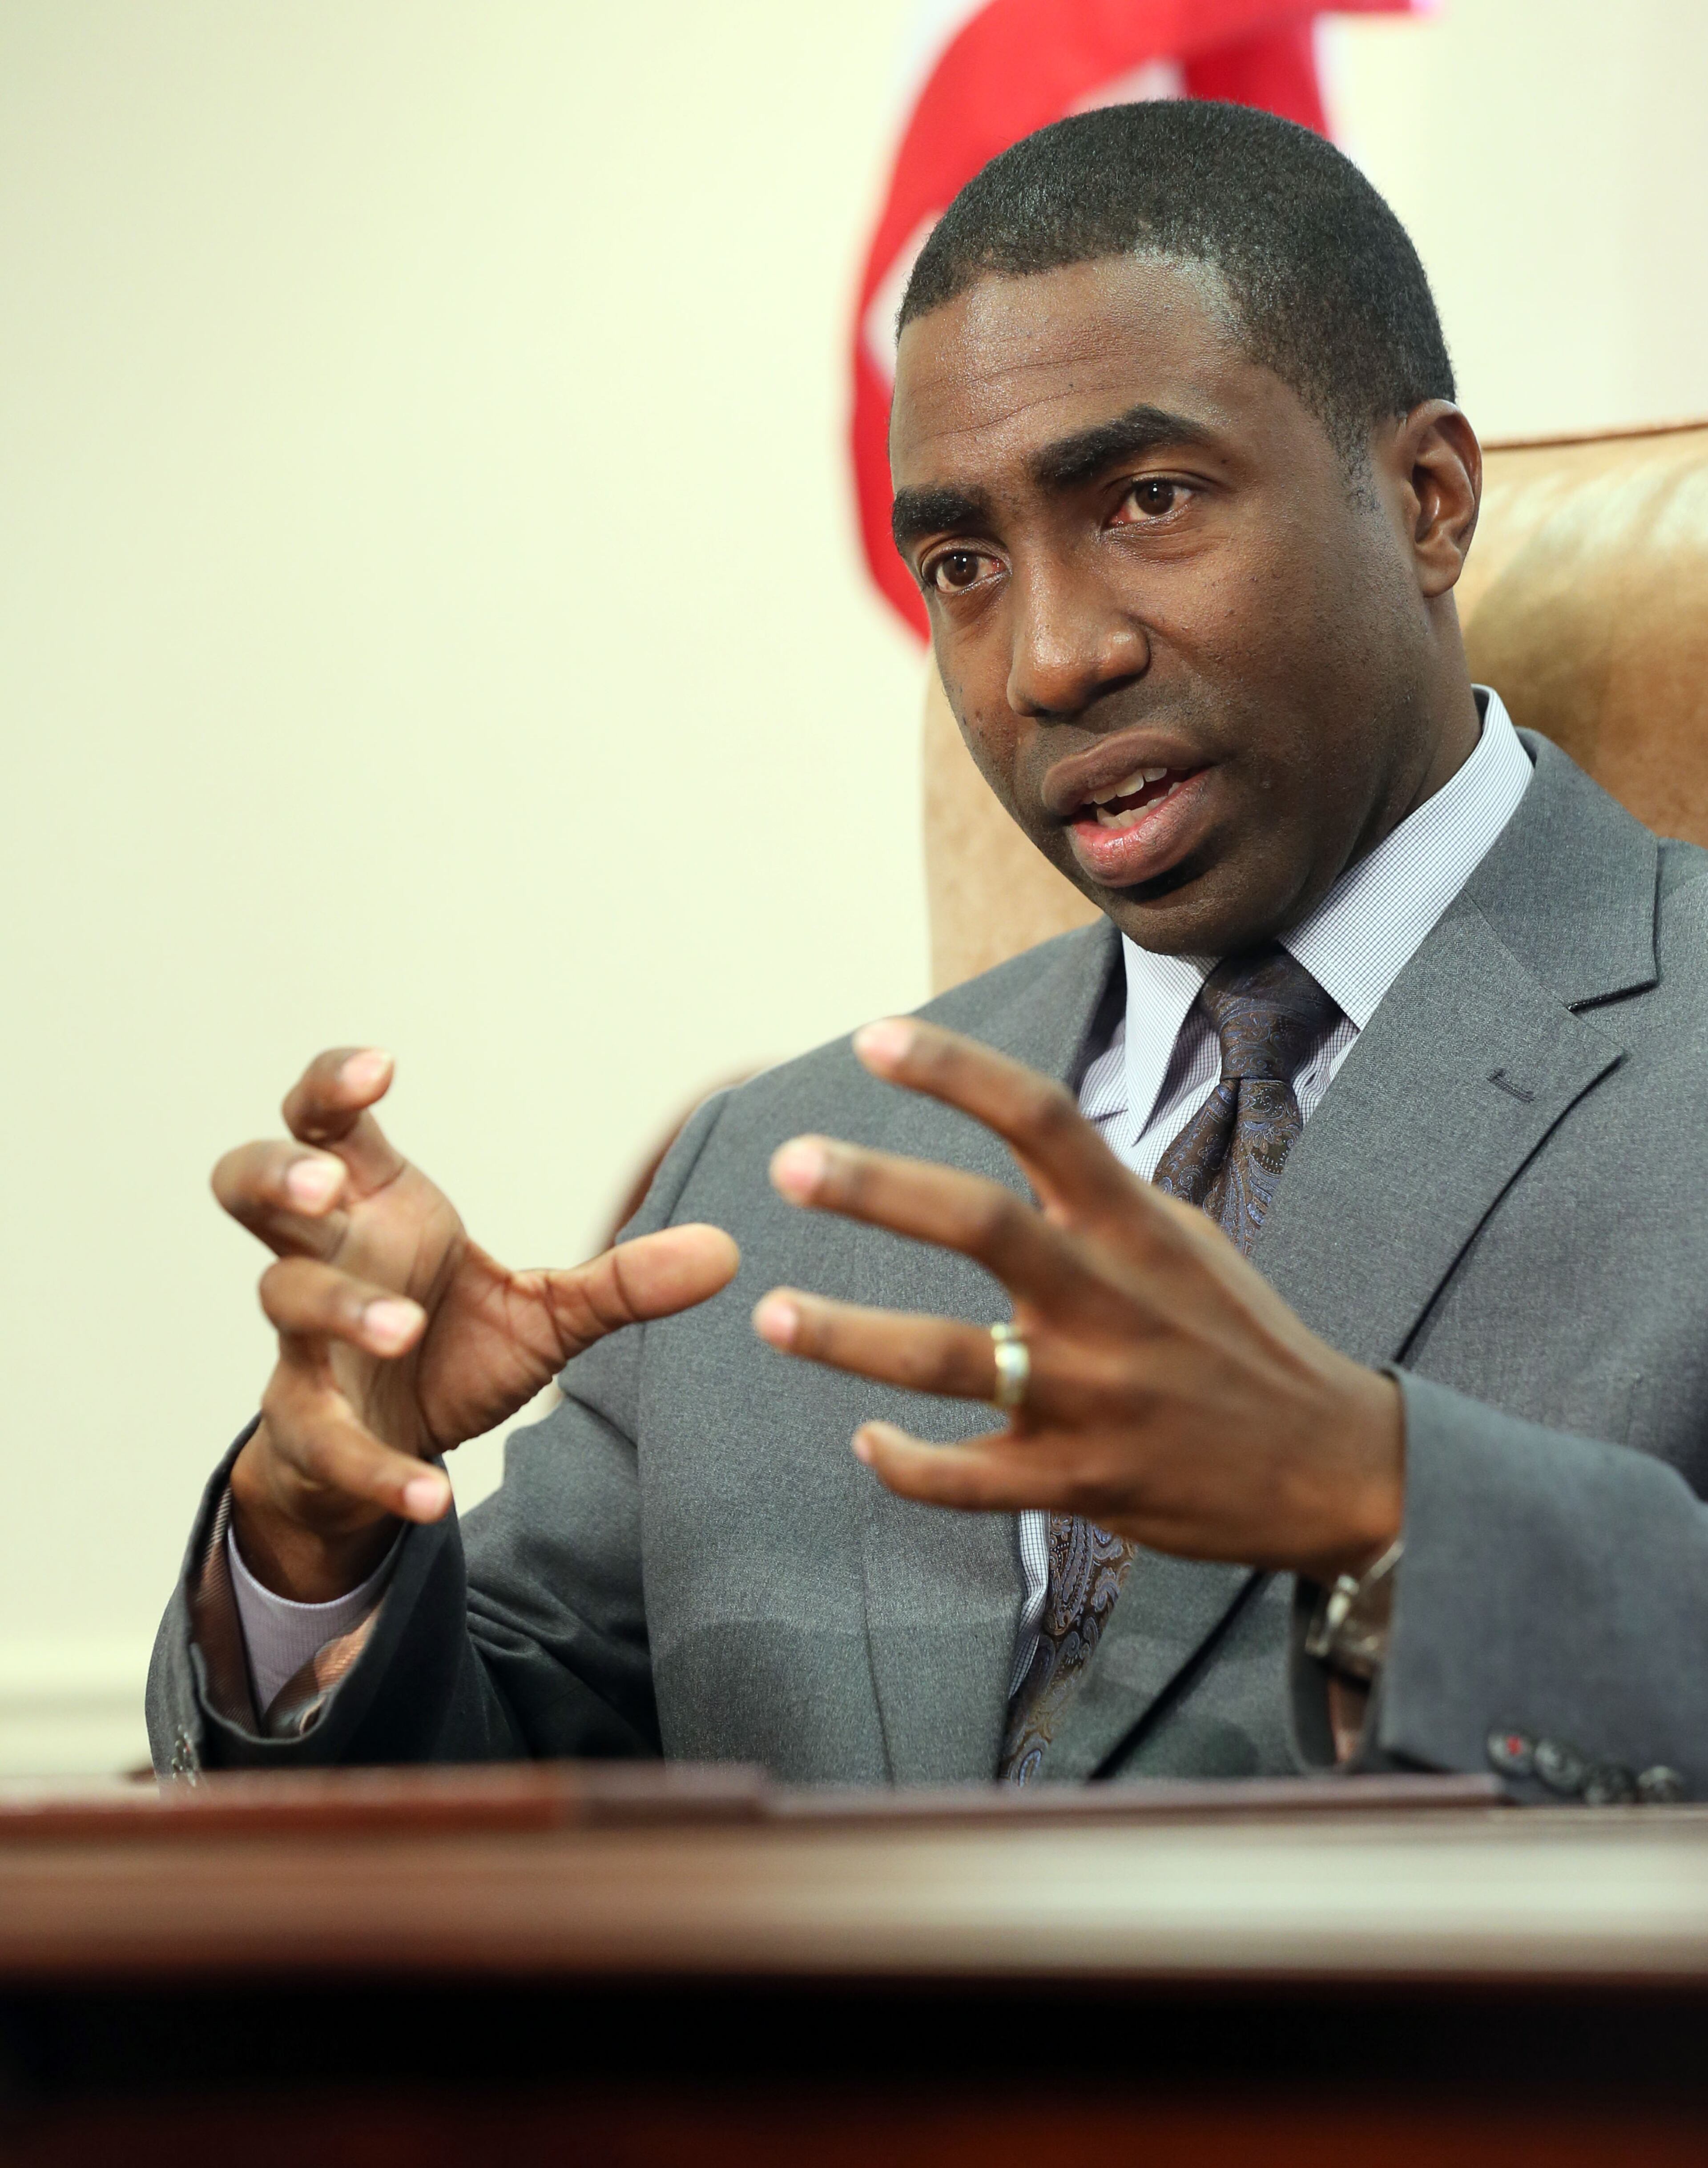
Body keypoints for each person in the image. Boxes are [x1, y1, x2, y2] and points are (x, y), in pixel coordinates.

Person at [149, 101, 1706, 1800]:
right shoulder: (780, 1176)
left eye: (1149, 498)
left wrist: (1398, 1504)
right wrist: (319, 1547)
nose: (1044, 659)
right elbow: (488, 1810)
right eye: (964, 562)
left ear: (1426, 500)